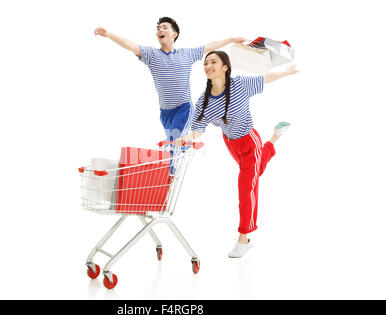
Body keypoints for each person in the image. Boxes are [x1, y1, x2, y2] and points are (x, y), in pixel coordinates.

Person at [176, 51, 298, 258]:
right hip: (230, 144)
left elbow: (265, 79)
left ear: (225, 67)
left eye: (214, 62)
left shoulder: (240, 85)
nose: (208, 66)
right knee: (255, 173)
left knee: (246, 187)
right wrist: (187, 138)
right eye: (206, 63)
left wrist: (286, 72)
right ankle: (275, 138)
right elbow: (198, 131)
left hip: (250, 141)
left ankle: (244, 238)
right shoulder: (204, 101)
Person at [94, 17, 247, 145]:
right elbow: (131, 46)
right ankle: (186, 149)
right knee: (176, 144)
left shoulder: (187, 54)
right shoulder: (151, 54)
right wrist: (109, 34)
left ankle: (170, 174)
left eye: (165, 28)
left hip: (183, 109)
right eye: (158, 28)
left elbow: (209, 47)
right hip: (165, 113)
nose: (160, 30)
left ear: (174, 34)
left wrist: (231, 39)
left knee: (172, 142)